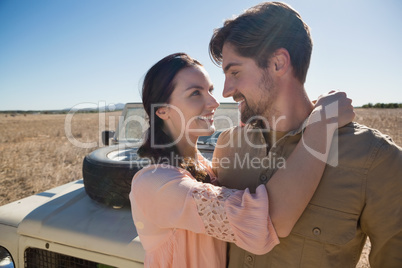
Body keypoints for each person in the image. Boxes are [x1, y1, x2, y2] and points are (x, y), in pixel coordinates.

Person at [209, 2, 402, 268]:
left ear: (278, 63)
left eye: (235, 72)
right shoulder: (227, 145)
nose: (226, 91)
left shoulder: (374, 158)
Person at [129, 52, 354, 267]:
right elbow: (267, 220)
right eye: (195, 93)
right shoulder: (153, 183)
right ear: (162, 111)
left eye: (210, 90)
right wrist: (322, 124)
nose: (214, 102)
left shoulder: (201, 165)